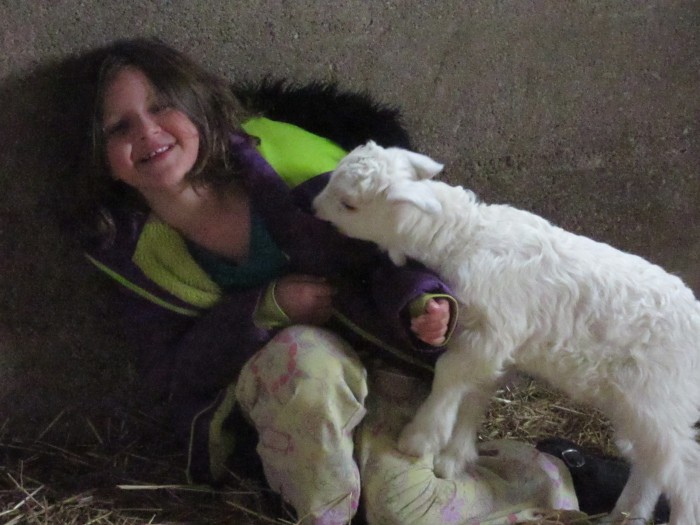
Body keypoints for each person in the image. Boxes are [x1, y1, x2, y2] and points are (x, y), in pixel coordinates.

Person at [61, 37, 600, 525]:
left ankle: (547, 475)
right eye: (119, 127)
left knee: (406, 510)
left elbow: (397, 251)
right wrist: (266, 307)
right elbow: (171, 367)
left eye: (161, 106)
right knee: (304, 356)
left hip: (387, 367)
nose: (148, 133)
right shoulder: (126, 248)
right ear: (102, 158)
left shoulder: (296, 165)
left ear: (199, 107)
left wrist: (423, 304)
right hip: (289, 404)